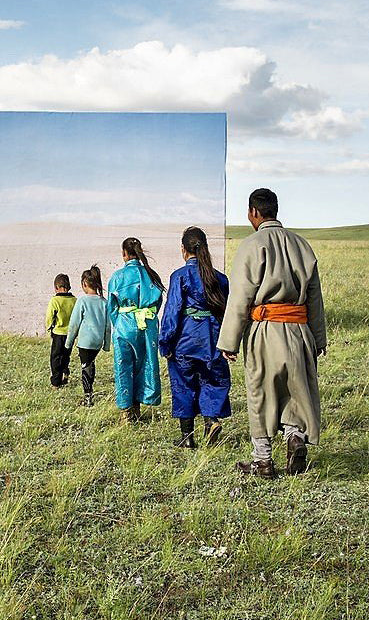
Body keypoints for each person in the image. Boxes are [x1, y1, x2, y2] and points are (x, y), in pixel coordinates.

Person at [218, 188, 327, 479]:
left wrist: (229, 340)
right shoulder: (301, 245)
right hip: (299, 330)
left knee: (261, 393)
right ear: (275, 211)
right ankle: (294, 438)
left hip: (265, 331)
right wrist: (318, 338)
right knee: (295, 390)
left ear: (253, 213)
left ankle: (263, 461)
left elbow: (240, 296)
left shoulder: (252, 245)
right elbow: (314, 297)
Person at [159, 226, 231, 449]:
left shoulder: (179, 276)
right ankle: (210, 421)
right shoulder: (220, 278)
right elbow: (227, 312)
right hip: (212, 338)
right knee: (212, 381)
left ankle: (187, 437)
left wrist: (165, 343)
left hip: (185, 340)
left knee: (183, 384)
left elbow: (172, 311)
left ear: (183, 249)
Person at [107, 237, 165, 422]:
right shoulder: (151, 274)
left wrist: (121, 322)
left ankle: (127, 411)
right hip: (147, 326)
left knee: (124, 366)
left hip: (124, 326)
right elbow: (158, 302)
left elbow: (112, 307)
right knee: (144, 364)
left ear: (124, 254)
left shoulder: (117, 277)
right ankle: (138, 407)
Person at [64, 266, 111, 406]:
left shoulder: (82, 301)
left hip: (85, 341)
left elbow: (74, 324)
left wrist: (68, 343)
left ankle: (88, 397)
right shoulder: (104, 302)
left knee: (85, 366)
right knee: (91, 364)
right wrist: (106, 344)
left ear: (84, 283)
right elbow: (108, 326)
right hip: (97, 342)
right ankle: (90, 391)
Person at [45, 273, 76, 387]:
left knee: (55, 357)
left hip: (58, 333)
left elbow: (49, 316)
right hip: (70, 333)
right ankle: (65, 372)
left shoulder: (55, 301)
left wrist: (49, 327)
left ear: (56, 288)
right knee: (66, 355)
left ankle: (56, 381)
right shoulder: (74, 300)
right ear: (69, 287)